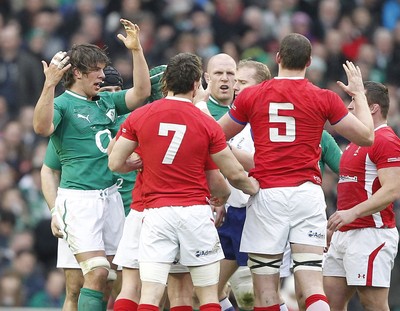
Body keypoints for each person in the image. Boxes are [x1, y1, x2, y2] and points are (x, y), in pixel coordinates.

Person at [218, 33, 374, 311]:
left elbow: (215, 136)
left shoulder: (252, 95)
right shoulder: (324, 97)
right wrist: (359, 94)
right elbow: (366, 137)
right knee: (313, 285)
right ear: (310, 62)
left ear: (278, 58)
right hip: (308, 194)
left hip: (268, 195)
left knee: (265, 288)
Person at [108, 52, 259, 311]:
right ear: (195, 85)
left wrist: (131, 165)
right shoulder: (206, 123)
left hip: (153, 212)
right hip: (194, 212)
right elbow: (229, 175)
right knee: (206, 295)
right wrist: (250, 189)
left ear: (166, 83)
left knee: (149, 294)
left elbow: (114, 162)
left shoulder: (141, 116)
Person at [33, 19, 151, 311]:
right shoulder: (63, 104)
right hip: (79, 200)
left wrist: (137, 50)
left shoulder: (105, 102)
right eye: (96, 70)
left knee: (109, 278)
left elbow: (141, 93)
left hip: (110, 198)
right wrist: (49, 84)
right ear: (77, 73)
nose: (102, 75)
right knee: (96, 273)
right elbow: (41, 127)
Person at [40, 65, 134, 311]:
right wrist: (54, 212)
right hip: (83, 206)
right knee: (77, 286)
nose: (110, 95)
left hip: (125, 213)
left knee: (121, 285)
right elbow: (49, 169)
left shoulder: (134, 125)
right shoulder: (76, 125)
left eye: (117, 91)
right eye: (106, 89)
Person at [323, 81, 400, 311]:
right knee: (328, 303)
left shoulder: (386, 140)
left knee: (373, 304)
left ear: (373, 108)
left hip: (371, 234)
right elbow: (351, 191)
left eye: (354, 101)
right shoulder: (356, 142)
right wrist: (336, 223)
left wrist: (351, 214)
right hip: (343, 234)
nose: (348, 107)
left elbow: (392, 190)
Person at [204, 53, 237, 120]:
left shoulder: (246, 109)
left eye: (230, 73)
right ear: (207, 78)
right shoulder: (198, 110)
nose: (224, 78)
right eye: (218, 73)